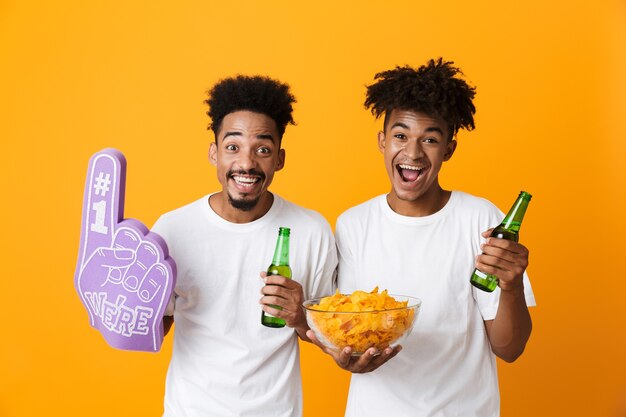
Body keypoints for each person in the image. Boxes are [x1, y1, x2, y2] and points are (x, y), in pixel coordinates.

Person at [307, 58, 536, 416]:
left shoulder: (481, 219)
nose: (412, 153)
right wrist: (342, 357)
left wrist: (512, 284)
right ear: (382, 142)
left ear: (448, 149)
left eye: (429, 139)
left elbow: (510, 348)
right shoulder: (353, 224)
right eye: (400, 136)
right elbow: (346, 329)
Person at [152, 75, 337, 417]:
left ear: (279, 158)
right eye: (233, 147)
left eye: (262, 149)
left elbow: (329, 336)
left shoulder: (312, 231)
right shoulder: (172, 229)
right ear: (214, 153)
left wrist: (299, 317)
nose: (247, 164)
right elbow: (153, 328)